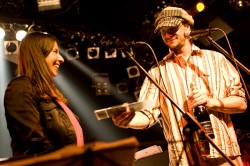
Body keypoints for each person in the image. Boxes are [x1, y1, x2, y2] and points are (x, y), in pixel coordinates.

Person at [112, 6, 247, 166]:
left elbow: (241, 104)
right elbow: (148, 116)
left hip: (223, 153)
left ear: (187, 27)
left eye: (172, 28)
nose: (168, 35)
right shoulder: (156, 72)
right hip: (184, 159)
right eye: (163, 31)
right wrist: (129, 120)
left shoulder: (216, 59)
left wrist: (212, 102)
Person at [4, 32, 84, 157]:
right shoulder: (21, 88)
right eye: (55, 51)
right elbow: (33, 144)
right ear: (39, 55)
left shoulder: (49, 92)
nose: (61, 59)